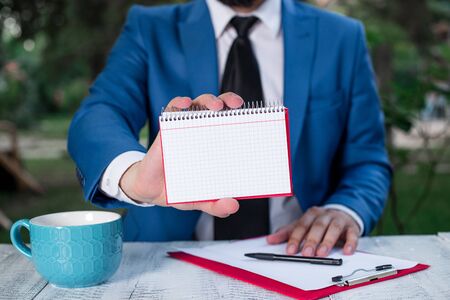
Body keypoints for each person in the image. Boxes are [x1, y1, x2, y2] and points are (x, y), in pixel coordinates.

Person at [68, 0, 391, 257]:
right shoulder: (150, 29)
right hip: (167, 258)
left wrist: (345, 209)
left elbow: (368, 159)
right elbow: (101, 112)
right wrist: (132, 177)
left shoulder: (342, 37)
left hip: (301, 254)